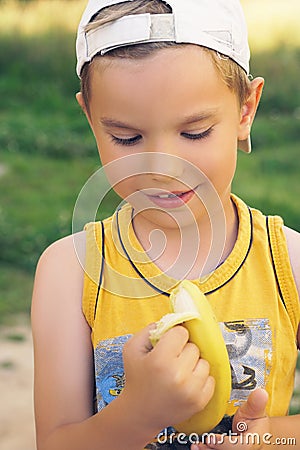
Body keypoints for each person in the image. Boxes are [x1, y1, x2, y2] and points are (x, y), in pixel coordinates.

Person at [31, 0, 300, 449]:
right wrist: (139, 414)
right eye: (126, 137)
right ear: (89, 118)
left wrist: (269, 436)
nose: (163, 166)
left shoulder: (288, 263)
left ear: (245, 109)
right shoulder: (69, 272)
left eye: (194, 133)